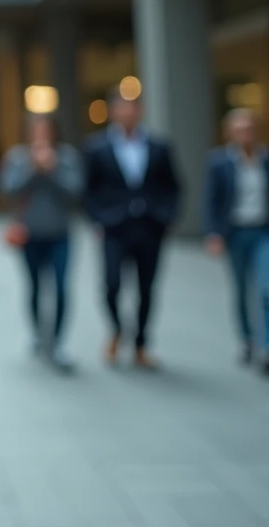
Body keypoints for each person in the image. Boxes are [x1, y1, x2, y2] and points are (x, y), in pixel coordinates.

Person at [83, 89, 180, 369]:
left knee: (147, 288)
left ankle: (140, 344)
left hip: (149, 227)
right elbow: (89, 190)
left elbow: (172, 186)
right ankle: (117, 329)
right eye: (122, 109)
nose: (127, 114)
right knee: (111, 285)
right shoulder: (97, 147)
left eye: (132, 109)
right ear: (113, 112)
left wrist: (168, 216)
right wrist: (99, 218)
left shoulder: (159, 146)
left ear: (140, 112)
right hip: (115, 227)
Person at [203, 108, 269, 378]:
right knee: (242, 289)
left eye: (249, 128)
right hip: (236, 233)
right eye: (239, 129)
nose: (245, 134)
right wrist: (213, 233)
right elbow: (211, 200)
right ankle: (247, 339)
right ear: (230, 133)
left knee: (267, 288)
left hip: (265, 232)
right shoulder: (219, 162)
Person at [0, 115, 84, 370]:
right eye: (36, 130)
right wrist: (33, 170)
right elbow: (8, 190)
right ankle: (37, 332)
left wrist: (53, 170)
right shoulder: (18, 158)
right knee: (34, 286)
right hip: (29, 235)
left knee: (60, 288)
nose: (41, 135)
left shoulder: (66, 157)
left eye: (45, 130)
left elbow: (76, 192)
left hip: (60, 235)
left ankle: (57, 341)